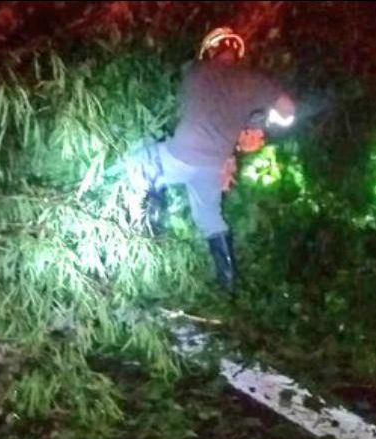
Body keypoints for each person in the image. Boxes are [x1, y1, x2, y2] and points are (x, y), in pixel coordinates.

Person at [124, 27, 296, 292]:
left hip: (180, 155)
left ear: (210, 50)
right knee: (210, 218)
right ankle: (228, 286)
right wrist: (263, 125)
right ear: (237, 52)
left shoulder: (194, 73)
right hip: (214, 166)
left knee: (137, 160)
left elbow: (184, 111)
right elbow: (288, 111)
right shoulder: (256, 82)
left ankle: (150, 235)